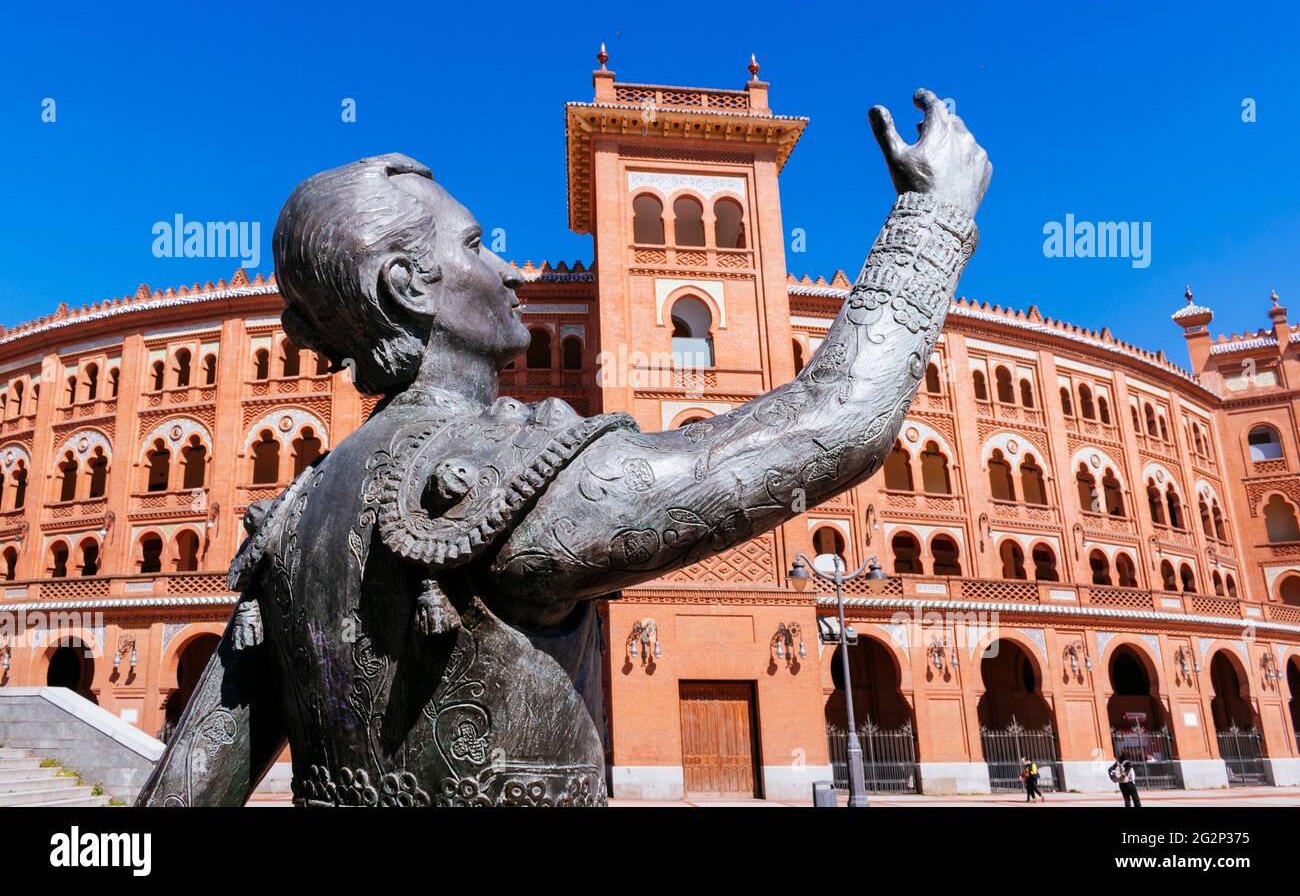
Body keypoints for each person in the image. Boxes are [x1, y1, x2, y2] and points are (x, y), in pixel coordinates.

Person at [137, 91, 992, 807]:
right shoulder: (511, 475)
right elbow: (840, 422)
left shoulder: (293, 522)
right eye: (474, 245)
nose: (508, 268)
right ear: (407, 287)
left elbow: (177, 800)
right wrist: (935, 215)